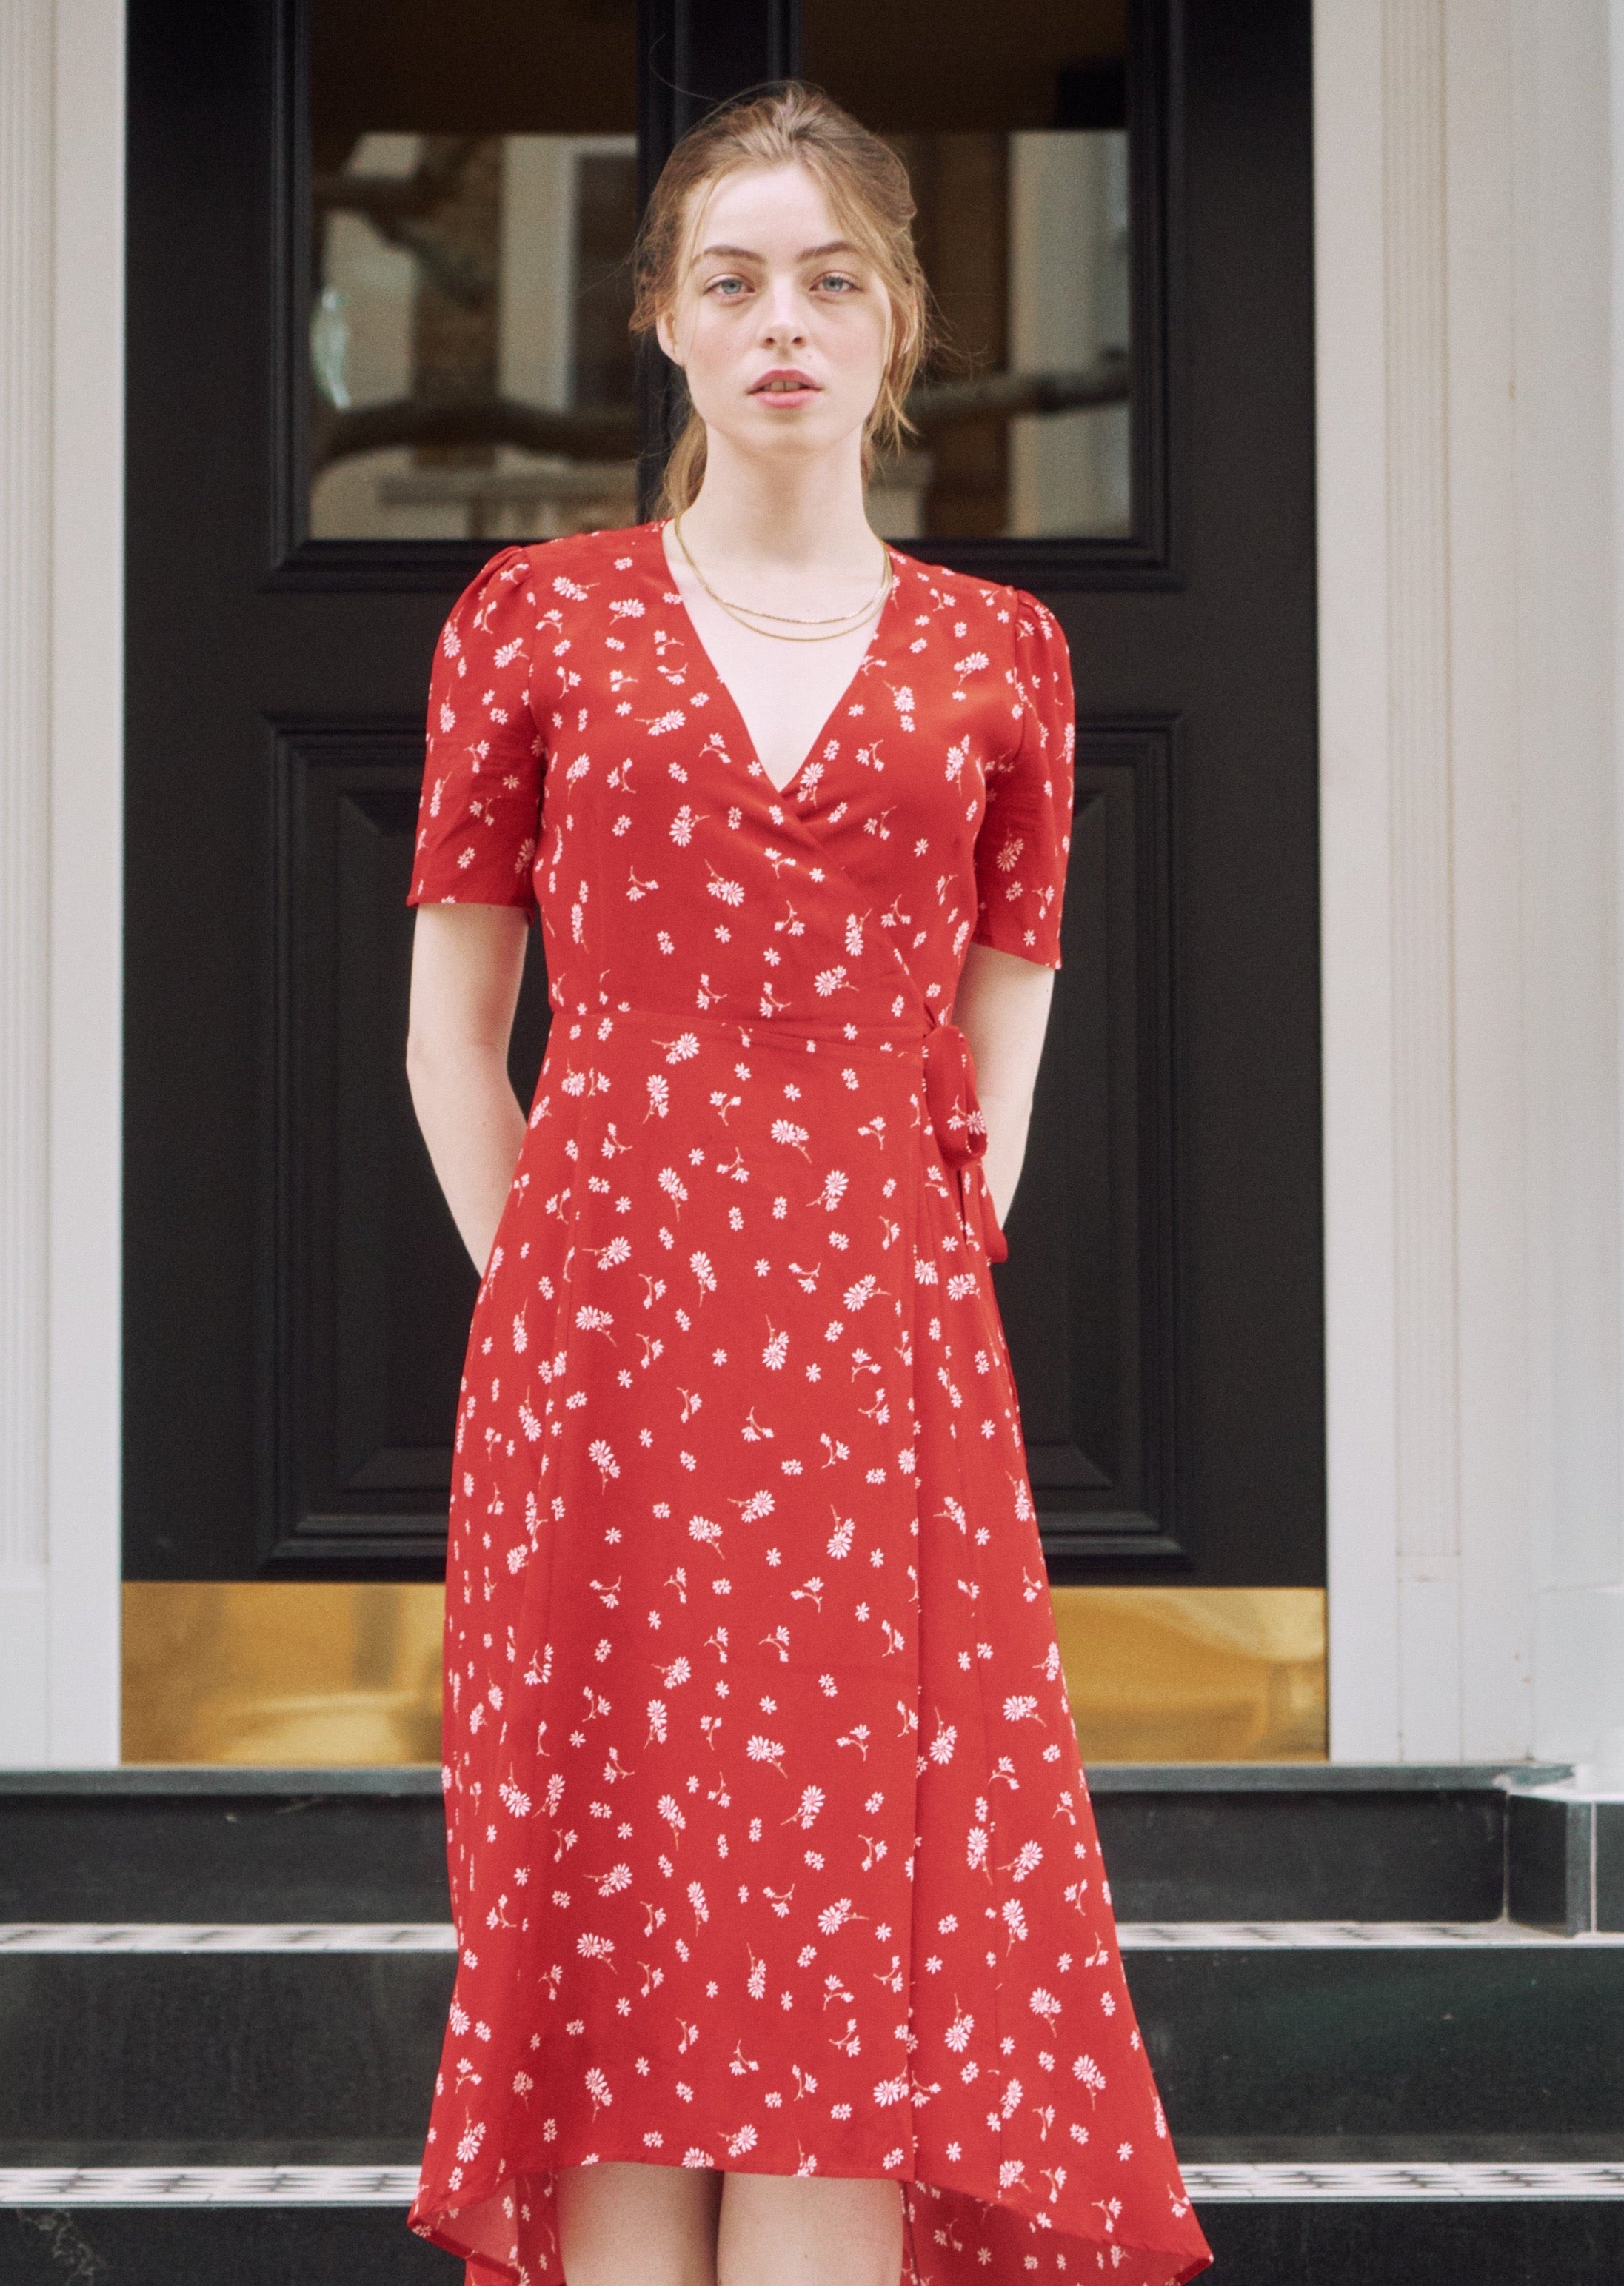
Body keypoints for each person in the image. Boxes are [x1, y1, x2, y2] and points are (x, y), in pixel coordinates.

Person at [403, 80, 1212, 2286]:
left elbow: (994, 1072)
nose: (784, 321)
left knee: (854, 1921)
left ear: (896, 328)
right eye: (735, 280)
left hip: (877, 1376)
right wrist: (554, 1307)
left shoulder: (1001, 659)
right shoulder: (531, 623)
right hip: (598, 1371)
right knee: (617, 1906)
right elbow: (448, 1040)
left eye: (830, 279)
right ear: (661, 320)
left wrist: (891, 1306)